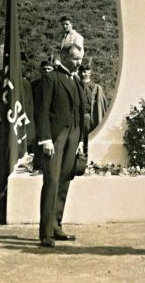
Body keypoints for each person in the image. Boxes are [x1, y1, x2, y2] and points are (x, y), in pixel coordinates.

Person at [37, 43, 85, 248]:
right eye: (75, 59)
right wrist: (45, 139)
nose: (79, 63)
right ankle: (45, 232)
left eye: (81, 59)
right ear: (64, 57)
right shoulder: (51, 78)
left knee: (65, 180)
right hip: (55, 137)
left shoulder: (77, 80)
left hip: (73, 136)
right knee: (52, 182)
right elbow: (42, 111)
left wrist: (81, 140)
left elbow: (82, 113)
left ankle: (56, 225)